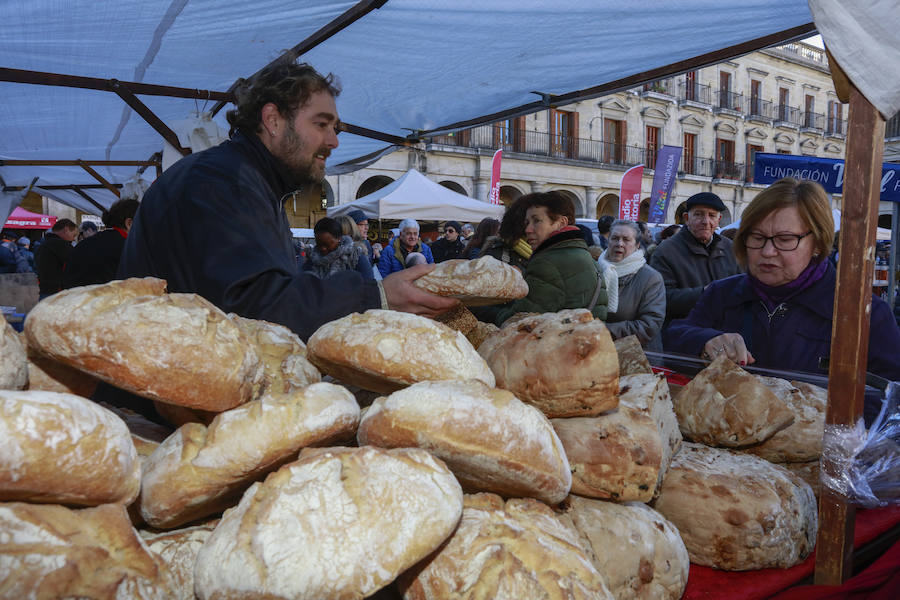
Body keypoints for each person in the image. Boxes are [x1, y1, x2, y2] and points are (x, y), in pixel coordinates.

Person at [118, 62, 455, 343]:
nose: (334, 141)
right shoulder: (223, 182)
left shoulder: (250, 182)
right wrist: (374, 296)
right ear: (273, 120)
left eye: (335, 128)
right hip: (166, 403)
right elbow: (251, 309)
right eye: (321, 124)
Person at [664, 178, 900, 383]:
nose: (767, 252)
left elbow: (889, 397)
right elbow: (674, 339)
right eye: (757, 237)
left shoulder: (863, 313)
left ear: (817, 243)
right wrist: (705, 342)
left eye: (785, 239)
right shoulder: (722, 294)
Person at [493, 192, 607, 325]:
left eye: (537, 221)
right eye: (527, 222)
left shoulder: (547, 262)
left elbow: (519, 322)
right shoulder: (588, 257)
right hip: (588, 341)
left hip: (555, 344)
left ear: (561, 223)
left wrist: (481, 308)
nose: (528, 229)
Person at [649, 192, 740, 321]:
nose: (706, 221)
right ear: (687, 218)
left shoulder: (730, 248)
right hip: (685, 333)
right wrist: (705, 293)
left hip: (727, 331)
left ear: (718, 220)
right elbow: (660, 298)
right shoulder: (666, 251)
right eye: (698, 214)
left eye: (712, 215)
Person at [597, 220, 666, 350]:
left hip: (637, 356)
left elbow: (649, 325)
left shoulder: (651, 278)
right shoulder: (595, 269)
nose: (619, 244)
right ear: (608, 241)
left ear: (637, 245)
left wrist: (601, 331)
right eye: (615, 238)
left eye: (626, 240)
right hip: (596, 352)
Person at [61, 198, 140, 289]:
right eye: (143, 224)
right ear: (129, 223)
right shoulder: (128, 248)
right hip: (107, 300)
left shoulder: (84, 244)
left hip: (73, 299)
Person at [303, 217, 374, 280]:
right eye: (319, 244)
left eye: (328, 244)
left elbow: (369, 284)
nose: (323, 248)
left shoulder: (355, 256)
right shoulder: (313, 257)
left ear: (339, 238)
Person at [34, 218, 77, 298]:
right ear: (66, 229)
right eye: (73, 235)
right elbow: (75, 264)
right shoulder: (61, 245)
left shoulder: (42, 244)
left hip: (44, 291)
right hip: (58, 293)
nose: (73, 238)